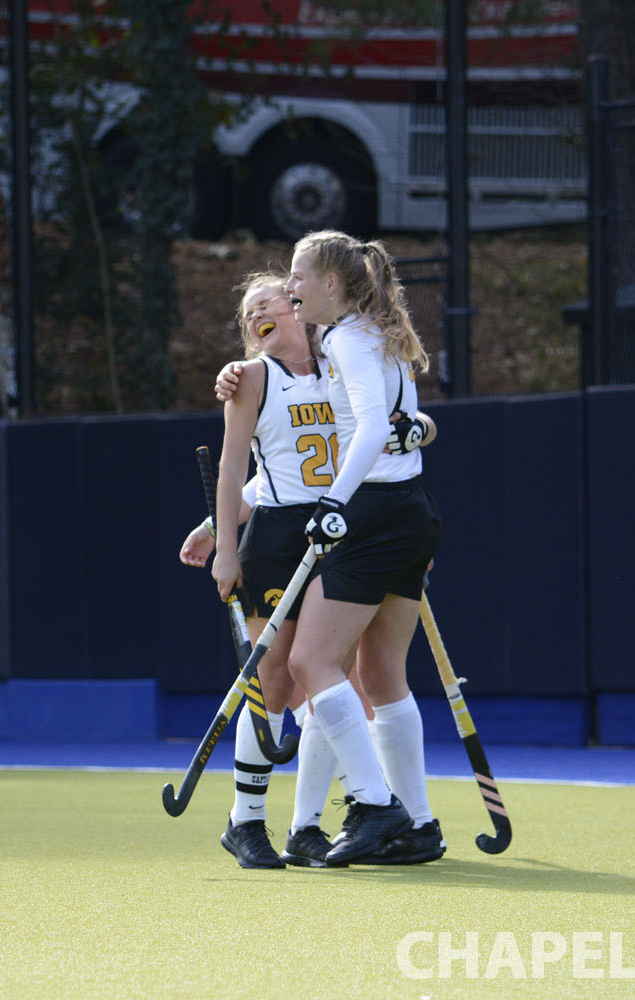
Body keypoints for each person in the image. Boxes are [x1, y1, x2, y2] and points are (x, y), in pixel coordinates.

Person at [178, 269, 437, 869]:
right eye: (247, 314)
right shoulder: (250, 379)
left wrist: (419, 429)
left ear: (298, 308)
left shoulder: (343, 360)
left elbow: (404, 418)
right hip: (279, 532)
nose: (258, 315)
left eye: (269, 301)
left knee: (327, 675)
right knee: (274, 681)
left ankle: (309, 825)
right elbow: (236, 470)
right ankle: (244, 822)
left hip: (344, 526)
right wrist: (224, 542)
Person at [282, 230, 443, 866]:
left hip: (372, 513)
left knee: (310, 664)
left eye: (298, 276)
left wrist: (332, 502)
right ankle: (419, 827)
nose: (290, 287)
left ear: (332, 285)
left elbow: (375, 427)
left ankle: (376, 808)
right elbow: (408, 426)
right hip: (410, 510)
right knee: (381, 677)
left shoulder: (347, 338)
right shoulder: (378, 334)